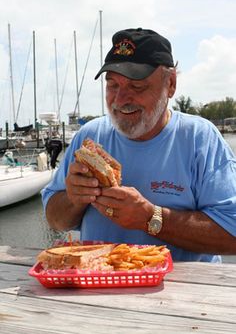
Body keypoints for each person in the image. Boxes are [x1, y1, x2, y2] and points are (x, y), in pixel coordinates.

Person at [42, 28, 236, 262]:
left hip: (181, 294)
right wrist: (74, 199)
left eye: (137, 87)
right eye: (113, 85)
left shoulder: (199, 139)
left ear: (171, 84)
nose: (121, 99)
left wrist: (152, 219)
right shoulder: (90, 137)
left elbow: (231, 234)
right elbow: (54, 219)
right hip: (96, 291)